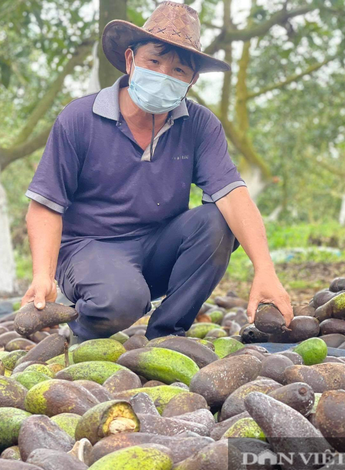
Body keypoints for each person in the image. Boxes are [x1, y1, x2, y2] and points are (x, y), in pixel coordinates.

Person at [22, 1, 293, 342]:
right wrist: (42, 275)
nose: (164, 75)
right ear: (131, 60)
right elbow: (46, 204)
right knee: (120, 300)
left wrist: (265, 271)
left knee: (218, 220)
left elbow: (233, 195)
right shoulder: (79, 119)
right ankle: (87, 326)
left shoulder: (199, 125)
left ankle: (166, 333)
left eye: (179, 70)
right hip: (91, 247)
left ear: (192, 80)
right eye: (155, 61)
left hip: (159, 245)